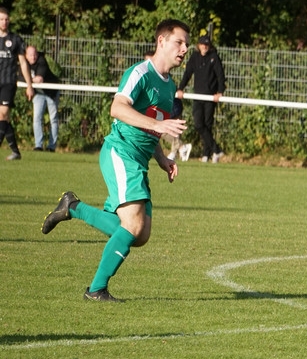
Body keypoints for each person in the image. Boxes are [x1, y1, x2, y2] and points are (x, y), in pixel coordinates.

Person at [40, 19, 190, 302]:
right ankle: (96, 289)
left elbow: (151, 127)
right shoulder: (140, 73)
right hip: (120, 152)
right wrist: (159, 127)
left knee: (141, 233)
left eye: (186, 45)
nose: (184, 49)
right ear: (161, 41)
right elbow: (118, 108)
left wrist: (162, 159)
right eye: (179, 42)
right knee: (132, 227)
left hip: (139, 160)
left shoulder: (170, 87)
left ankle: (73, 207)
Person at [177, 34, 226, 163]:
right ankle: (216, 150)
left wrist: (220, 92)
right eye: (203, 45)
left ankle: (206, 155)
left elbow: (220, 75)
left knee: (208, 125)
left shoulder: (214, 57)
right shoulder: (194, 57)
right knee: (199, 124)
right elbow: (187, 73)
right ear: (199, 45)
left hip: (210, 97)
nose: (205, 47)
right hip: (198, 96)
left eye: (207, 45)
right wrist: (180, 88)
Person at [0, 7, 35, 160]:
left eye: (6, 19)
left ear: (9, 20)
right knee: (4, 119)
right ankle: (16, 151)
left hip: (8, 82)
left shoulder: (15, 39)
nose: (4, 22)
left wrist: (29, 85)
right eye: (1, 19)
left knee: (3, 114)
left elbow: (23, 63)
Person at [25, 45, 60, 151]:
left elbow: (39, 79)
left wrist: (27, 79)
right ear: (26, 56)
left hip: (51, 93)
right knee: (37, 118)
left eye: (35, 54)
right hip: (39, 94)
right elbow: (19, 76)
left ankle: (51, 146)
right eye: (30, 55)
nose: (33, 57)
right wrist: (30, 79)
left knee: (53, 119)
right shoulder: (24, 64)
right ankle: (38, 146)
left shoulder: (42, 61)